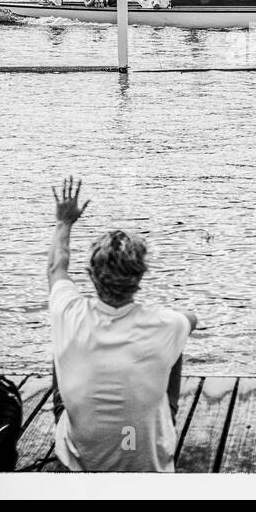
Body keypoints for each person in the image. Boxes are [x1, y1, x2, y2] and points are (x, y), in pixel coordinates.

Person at [47, 178, 197, 472]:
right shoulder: (167, 324)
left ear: (92, 275)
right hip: (148, 464)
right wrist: (177, 318)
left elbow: (56, 267)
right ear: (139, 277)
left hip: (82, 460)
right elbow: (191, 319)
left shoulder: (69, 311)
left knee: (60, 334)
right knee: (175, 343)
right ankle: (170, 413)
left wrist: (64, 222)